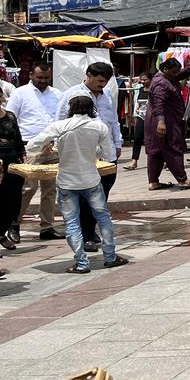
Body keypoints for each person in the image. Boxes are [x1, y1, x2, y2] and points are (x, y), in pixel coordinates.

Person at [27, 96, 127, 275]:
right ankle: (110, 257)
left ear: (71, 108)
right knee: (103, 218)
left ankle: (81, 263)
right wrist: (91, 150)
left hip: (67, 182)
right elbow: (107, 153)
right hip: (91, 180)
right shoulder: (99, 126)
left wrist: (45, 149)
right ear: (92, 109)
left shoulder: (60, 126)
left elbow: (33, 144)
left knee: (72, 223)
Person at [59, 62, 122, 248]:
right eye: (100, 81)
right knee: (87, 193)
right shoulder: (71, 94)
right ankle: (85, 233)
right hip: (83, 153)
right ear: (88, 75)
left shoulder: (107, 95)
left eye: (105, 82)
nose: (102, 85)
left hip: (107, 152)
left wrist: (117, 143)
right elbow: (60, 121)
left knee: (103, 191)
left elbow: (114, 121)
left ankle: (90, 228)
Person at [6, 64, 61, 241]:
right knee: (28, 188)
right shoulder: (20, 93)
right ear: (30, 75)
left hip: (52, 147)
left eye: (46, 78)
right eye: (39, 78)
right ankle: (14, 223)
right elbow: (10, 120)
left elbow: (60, 119)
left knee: (50, 189)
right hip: (29, 147)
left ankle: (47, 227)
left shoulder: (57, 94)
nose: (43, 81)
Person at [144, 58, 190, 192]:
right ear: (166, 70)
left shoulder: (168, 77)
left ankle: (153, 182)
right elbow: (159, 104)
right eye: (174, 72)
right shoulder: (161, 83)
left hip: (163, 120)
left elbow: (182, 73)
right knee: (173, 148)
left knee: (157, 151)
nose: (176, 74)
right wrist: (161, 122)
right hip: (164, 122)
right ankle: (183, 180)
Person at [0, 87, 25, 255]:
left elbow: (17, 138)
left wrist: (23, 156)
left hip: (13, 163)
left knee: (14, 204)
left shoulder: (10, 116)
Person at [123, 72, 152, 171]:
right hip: (140, 116)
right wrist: (134, 115)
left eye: (145, 79)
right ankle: (134, 161)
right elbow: (136, 102)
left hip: (152, 117)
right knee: (137, 138)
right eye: (142, 79)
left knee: (151, 140)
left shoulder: (154, 90)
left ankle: (153, 160)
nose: (143, 81)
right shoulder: (140, 89)